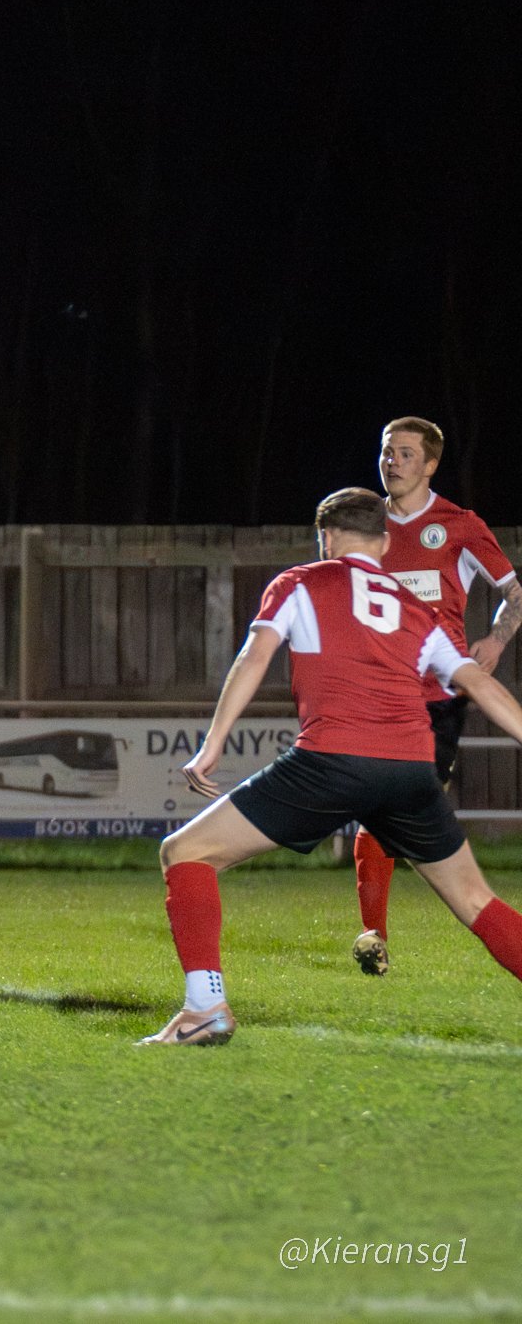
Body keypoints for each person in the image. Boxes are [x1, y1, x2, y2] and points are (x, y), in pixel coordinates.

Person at [143, 488, 522, 1045]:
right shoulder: (418, 611)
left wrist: (212, 744)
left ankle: (206, 1008)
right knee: (475, 900)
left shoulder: (300, 583)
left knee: (185, 853)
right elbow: (478, 684)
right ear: (386, 541)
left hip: (331, 761)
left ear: (325, 537)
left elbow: (254, 657)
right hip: (410, 771)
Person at [350, 418, 522, 976]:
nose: (391, 461)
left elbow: (514, 594)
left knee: (403, 808)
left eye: (404, 453)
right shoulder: (362, 525)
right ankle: (373, 934)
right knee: (378, 809)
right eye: (385, 451)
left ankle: (476, 912)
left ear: (430, 465)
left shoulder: (459, 526)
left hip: (438, 696)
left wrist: (495, 639)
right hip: (376, 690)